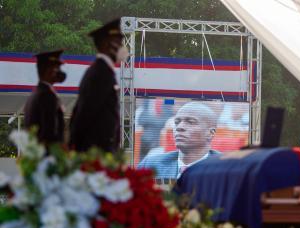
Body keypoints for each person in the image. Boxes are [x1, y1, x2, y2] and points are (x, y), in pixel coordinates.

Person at [69, 18, 128, 152]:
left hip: (100, 150)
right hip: (95, 150)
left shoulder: (104, 71)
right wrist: (77, 149)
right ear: (107, 44)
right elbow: (85, 112)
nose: (122, 48)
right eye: (119, 43)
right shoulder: (100, 73)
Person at [138, 102, 219, 179]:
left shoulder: (225, 169)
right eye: (177, 122)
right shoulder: (151, 165)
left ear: (210, 133)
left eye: (190, 122)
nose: (179, 127)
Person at [24, 49, 66, 146]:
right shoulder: (47, 96)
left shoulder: (35, 94)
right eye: (57, 68)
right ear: (49, 70)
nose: (60, 72)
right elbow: (50, 133)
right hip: (49, 156)